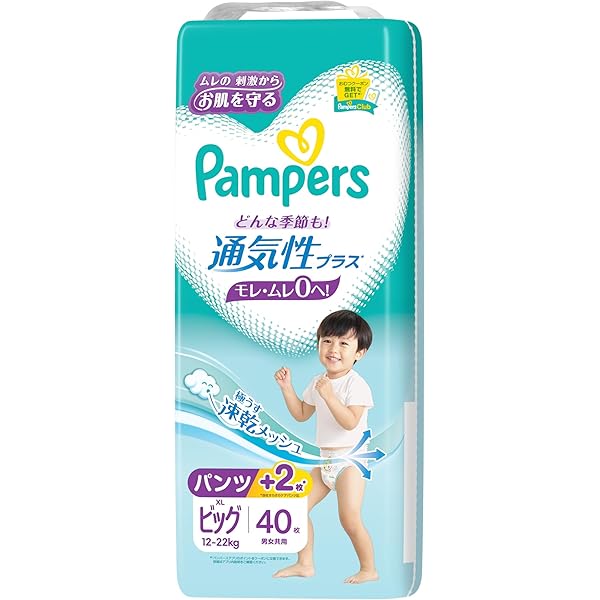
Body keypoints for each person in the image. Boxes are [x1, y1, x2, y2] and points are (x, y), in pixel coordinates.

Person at [273, 310, 378, 584]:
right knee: (295, 507)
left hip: (351, 461)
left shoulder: (357, 385)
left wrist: (330, 396)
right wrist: (287, 388)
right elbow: (301, 414)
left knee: (349, 518)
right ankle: (304, 563)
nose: (333, 349)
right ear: (318, 344)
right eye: (327, 341)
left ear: (359, 353)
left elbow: (350, 422)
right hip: (325, 461)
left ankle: (369, 569)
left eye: (344, 343)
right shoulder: (318, 382)